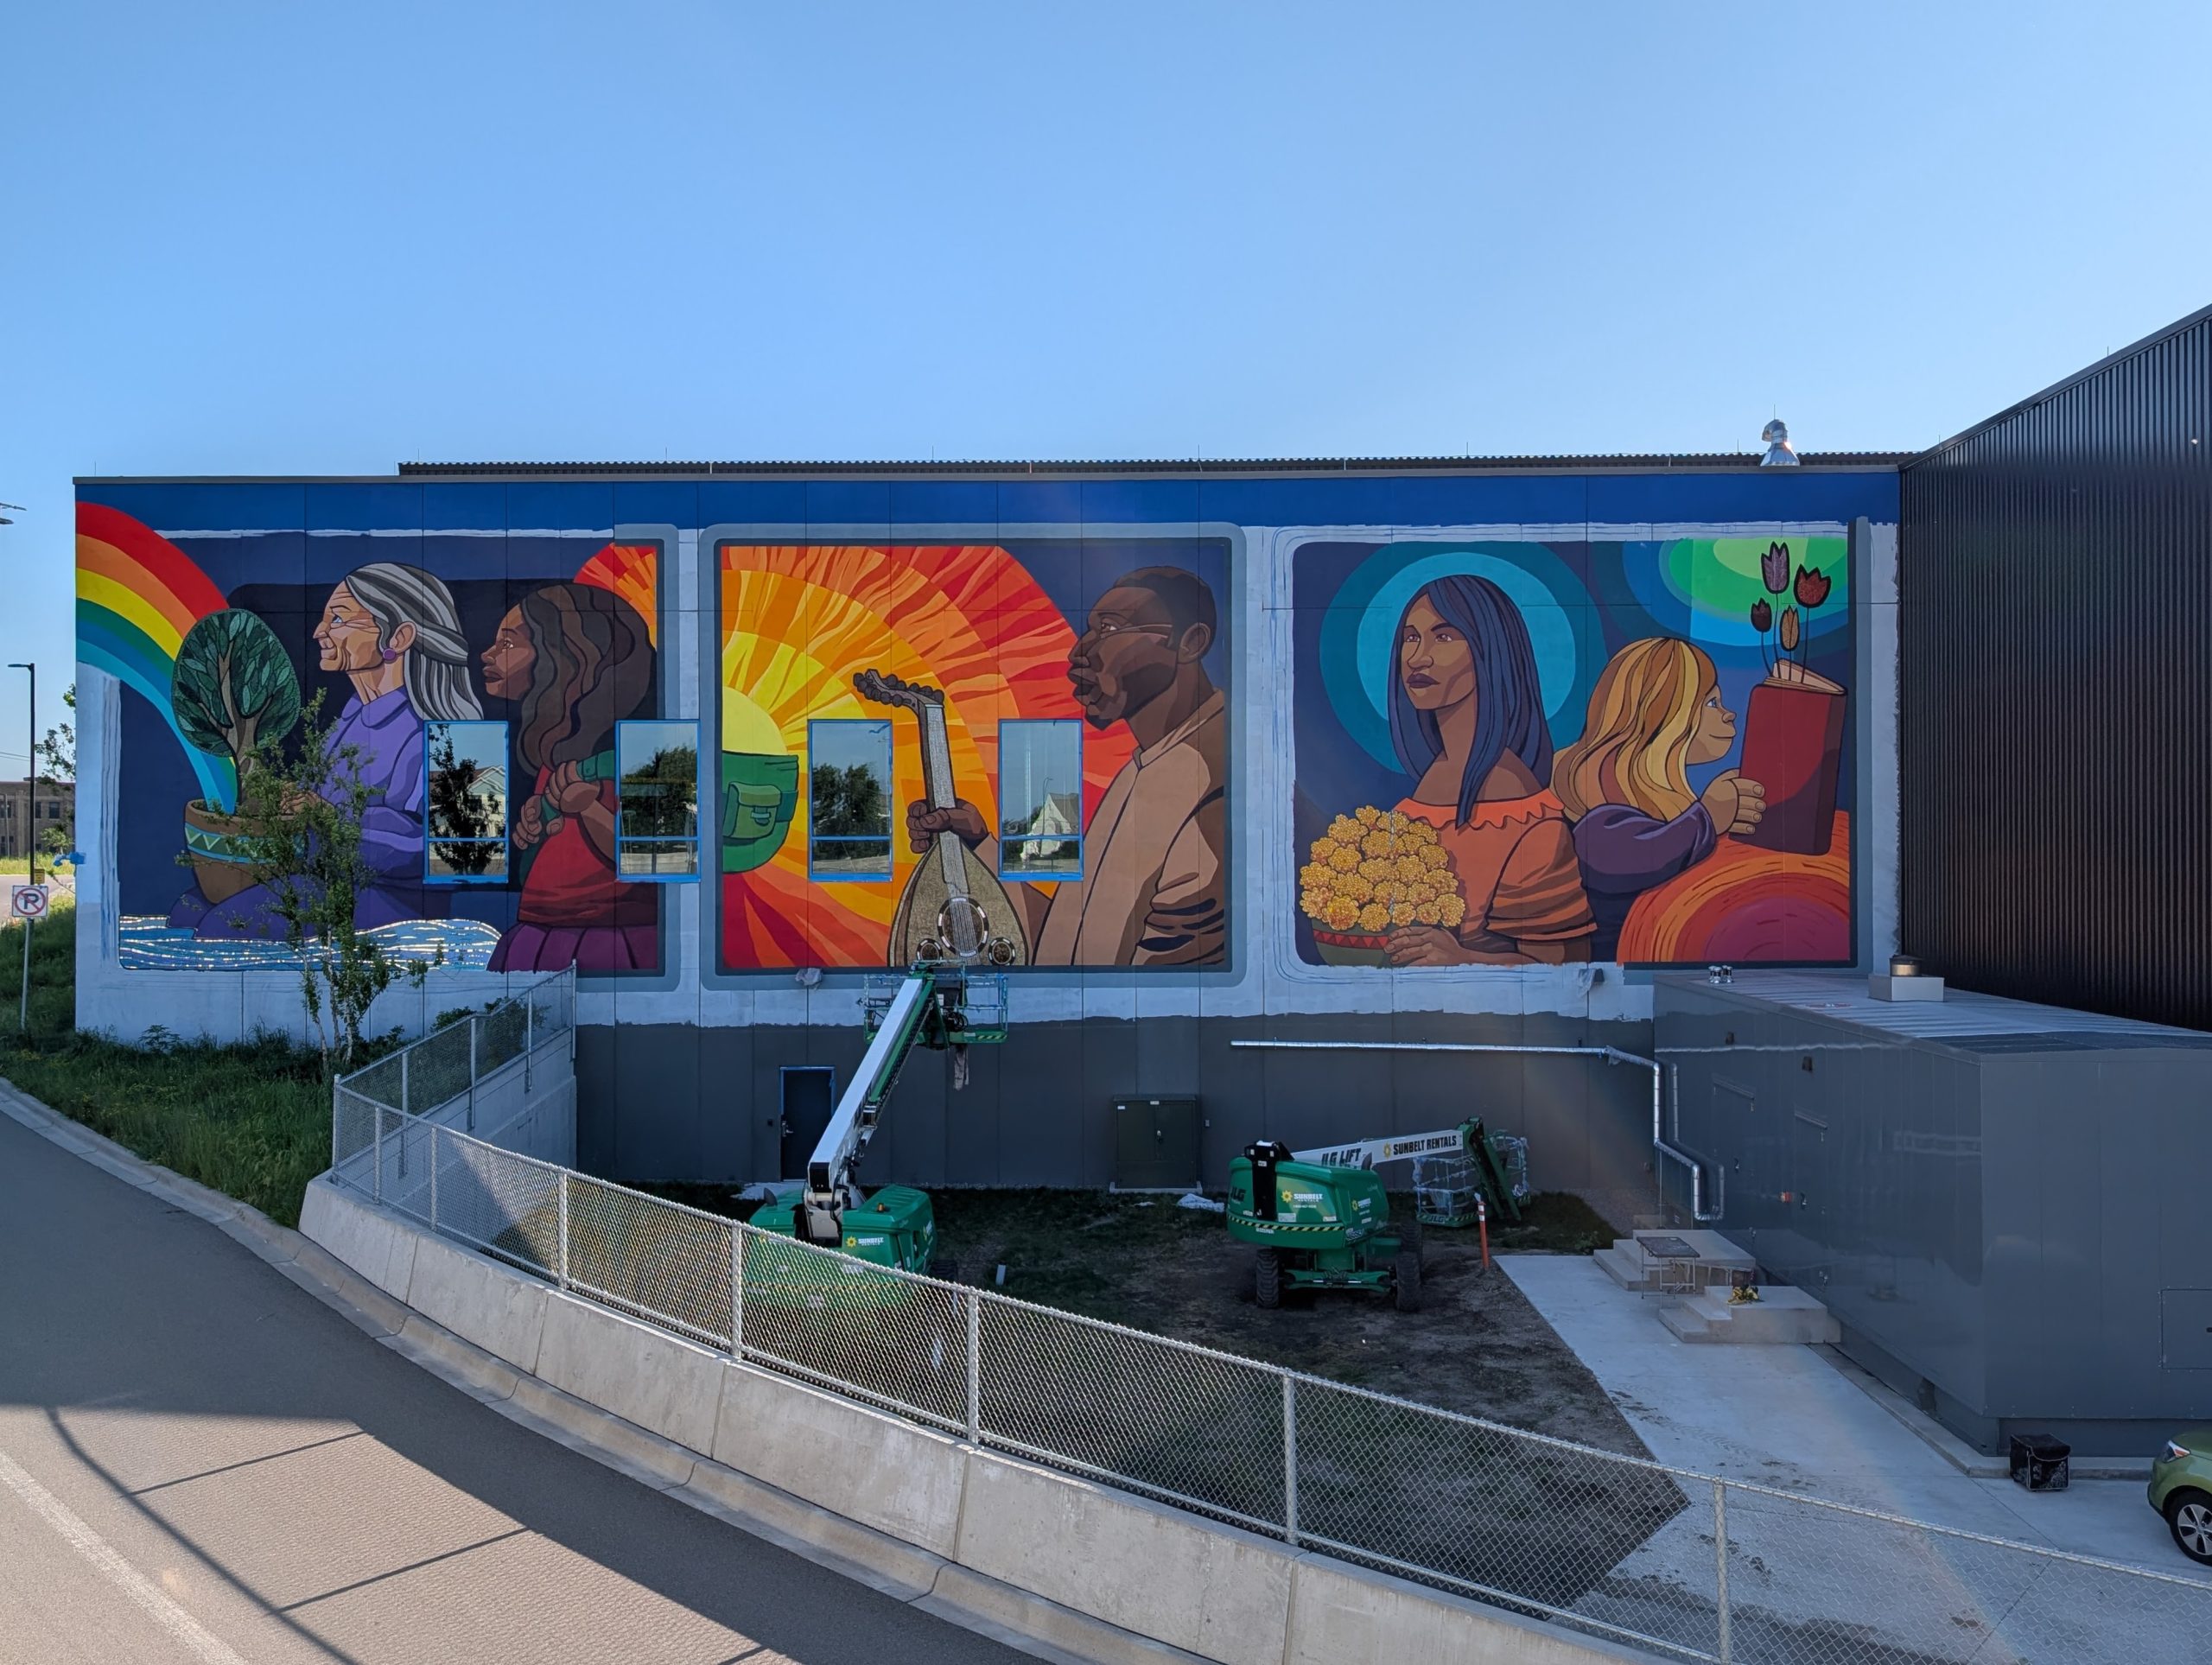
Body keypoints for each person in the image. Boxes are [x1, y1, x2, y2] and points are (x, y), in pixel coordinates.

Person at [905, 567, 1226, 966]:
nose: (1079, 654)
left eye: (1108, 629)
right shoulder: (1150, 764)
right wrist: (978, 845)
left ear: (1190, 642)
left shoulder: (1211, 780)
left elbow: (1160, 995)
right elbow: (1071, 943)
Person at [175, 563, 480, 937]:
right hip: (321, 883)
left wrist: (332, 821)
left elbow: (466, 859)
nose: (320, 632)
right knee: (188, 911)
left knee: (221, 927)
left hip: (392, 906)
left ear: (398, 637)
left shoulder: (462, 731)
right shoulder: (350, 718)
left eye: (338, 619)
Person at [1376, 575, 1594, 966]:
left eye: (1443, 638)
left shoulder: (1520, 808)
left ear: (1491, 650)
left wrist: (1462, 959)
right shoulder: (1434, 780)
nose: (1417, 657)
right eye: (1410, 637)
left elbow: (1562, 967)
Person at [1553, 638, 1765, 960]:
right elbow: (1616, 852)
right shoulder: (1599, 817)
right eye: (1711, 704)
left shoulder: (1660, 803)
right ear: (1660, 714)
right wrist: (1708, 818)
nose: (1728, 714)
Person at [483, 581, 657, 972]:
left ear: (564, 659)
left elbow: (651, 858)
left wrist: (589, 808)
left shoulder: (642, 752)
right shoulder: (558, 750)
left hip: (610, 936)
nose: (488, 654)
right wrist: (538, 825)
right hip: (544, 929)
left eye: (508, 644)